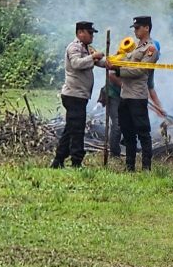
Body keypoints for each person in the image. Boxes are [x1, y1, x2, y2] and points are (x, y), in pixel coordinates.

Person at [51, 21, 105, 169]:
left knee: (71, 129)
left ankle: (58, 160)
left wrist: (114, 62)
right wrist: (93, 57)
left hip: (80, 95)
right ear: (80, 33)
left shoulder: (87, 48)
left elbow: (101, 62)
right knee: (77, 130)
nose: (92, 36)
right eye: (90, 33)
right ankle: (76, 161)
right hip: (73, 95)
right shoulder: (74, 47)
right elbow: (76, 63)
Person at [109, 16, 159, 172]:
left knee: (143, 132)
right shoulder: (134, 48)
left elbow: (140, 70)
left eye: (138, 28)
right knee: (128, 132)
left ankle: (146, 167)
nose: (135, 31)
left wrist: (118, 70)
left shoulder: (151, 49)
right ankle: (129, 166)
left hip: (137, 97)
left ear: (147, 28)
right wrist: (102, 60)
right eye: (134, 28)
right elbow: (120, 60)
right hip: (125, 96)